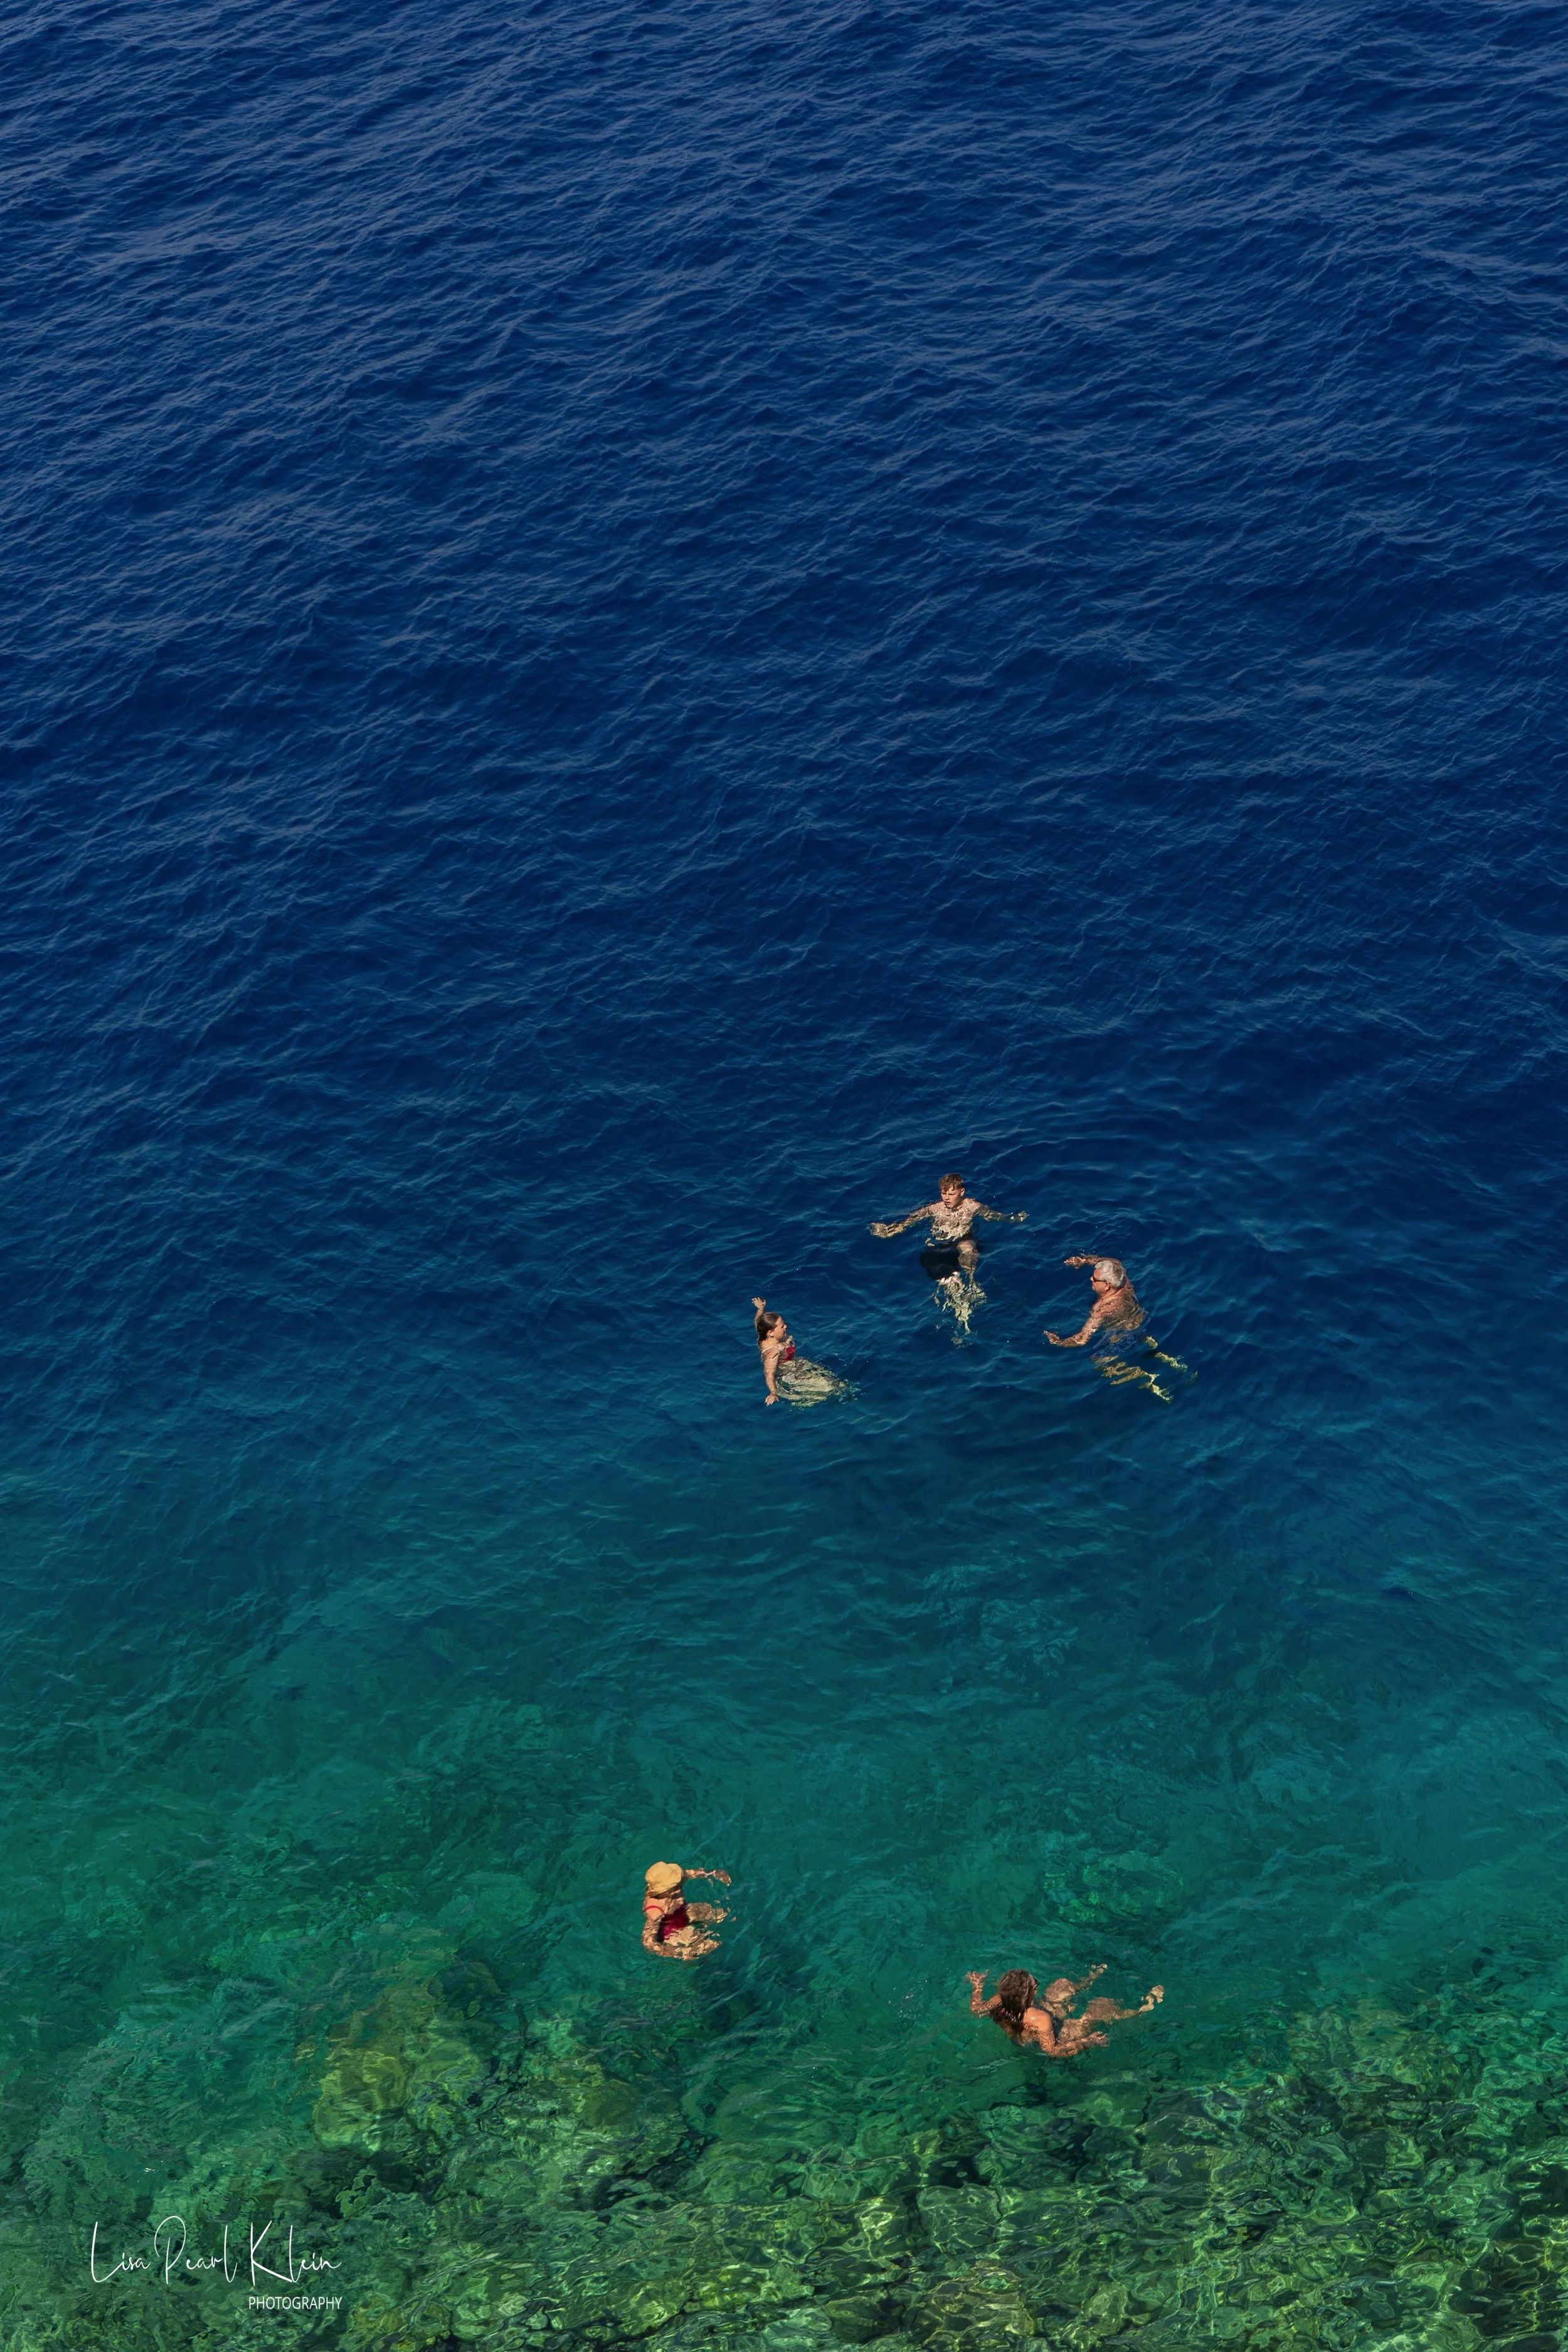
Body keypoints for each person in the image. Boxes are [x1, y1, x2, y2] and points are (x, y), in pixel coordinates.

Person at [1044, 1256, 1189, 1400]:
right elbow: (1116, 1263)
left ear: (1107, 1286)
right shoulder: (1125, 1284)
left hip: (1121, 1335)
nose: (1090, 1279)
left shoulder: (1102, 1310)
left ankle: (1146, 1378)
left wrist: (1059, 1342)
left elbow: (1082, 1340)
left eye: (1094, 1279)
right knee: (1145, 1342)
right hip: (1140, 1321)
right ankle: (1172, 1361)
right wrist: (1085, 1261)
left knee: (1098, 1361)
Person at [967, 1965, 1163, 2055]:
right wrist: (1087, 2042)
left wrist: (977, 1986)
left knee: (1061, 1985)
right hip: (1058, 2038)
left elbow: (976, 2009)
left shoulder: (1000, 2000)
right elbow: (1051, 2050)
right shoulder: (1040, 2018)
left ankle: (1087, 1981)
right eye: (1035, 1986)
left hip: (1026, 2030)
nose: (1038, 1987)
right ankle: (1141, 2009)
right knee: (1101, 2007)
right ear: (1027, 1996)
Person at [869, 1173, 1027, 1274]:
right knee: (944, 1271)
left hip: (964, 1238)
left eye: (952, 1194)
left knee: (968, 1249)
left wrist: (1012, 1218)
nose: (947, 1198)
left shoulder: (972, 1206)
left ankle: (971, 1281)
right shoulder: (934, 1208)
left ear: (962, 1192)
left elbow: (992, 1216)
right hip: (941, 1244)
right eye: (944, 1193)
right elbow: (912, 1220)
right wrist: (891, 1230)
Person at [752, 1298, 852, 1406]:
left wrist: (761, 1308)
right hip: (789, 1374)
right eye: (782, 1326)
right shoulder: (772, 1354)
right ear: (771, 1333)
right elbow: (769, 1374)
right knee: (828, 1387)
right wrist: (773, 1393)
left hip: (797, 1363)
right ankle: (806, 1402)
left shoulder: (762, 1334)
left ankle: (843, 1390)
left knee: (833, 1378)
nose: (786, 1326)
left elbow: (758, 1322)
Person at [642, 1861, 731, 1961]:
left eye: (678, 1886)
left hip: (684, 1911)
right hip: (674, 1930)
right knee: (713, 1946)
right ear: (661, 1891)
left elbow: (691, 1873)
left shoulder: (676, 1880)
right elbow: (648, 1942)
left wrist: (714, 1873)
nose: (679, 1891)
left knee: (724, 1914)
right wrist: (673, 1953)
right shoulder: (655, 1910)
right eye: (673, 1889)